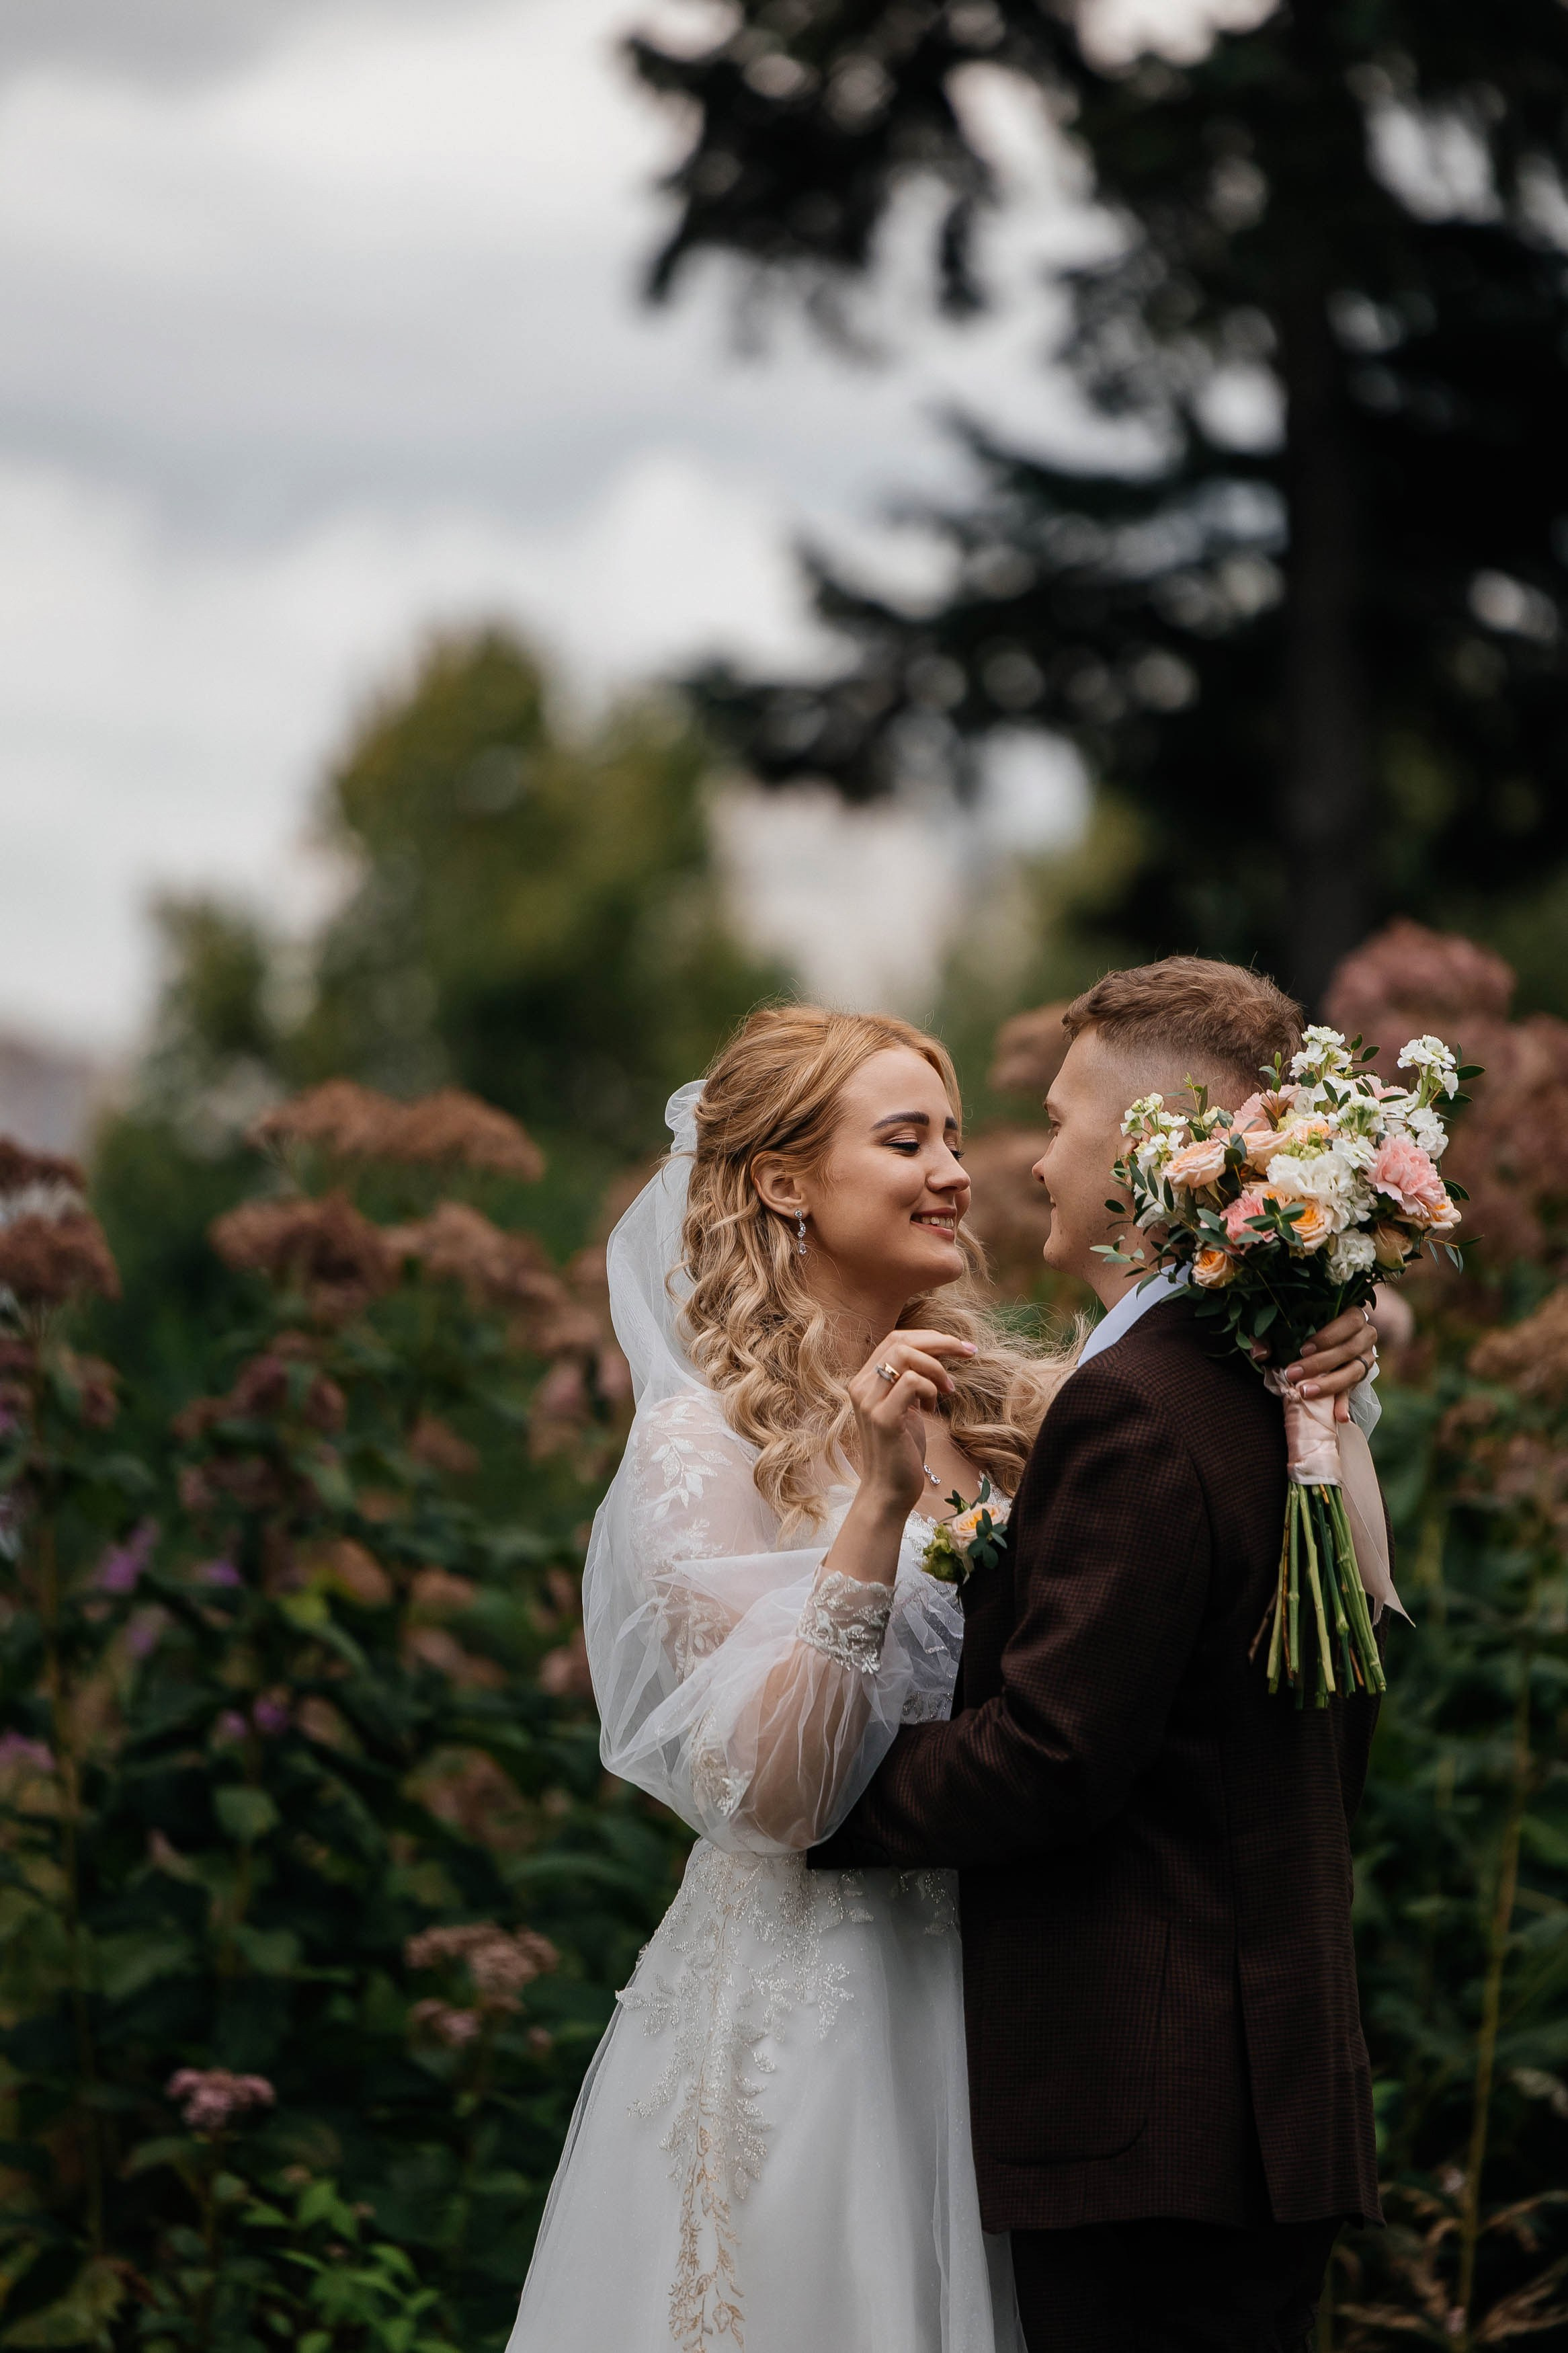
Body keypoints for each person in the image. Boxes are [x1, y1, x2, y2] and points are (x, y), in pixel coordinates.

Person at [505, 998, 1376, 2353]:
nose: (958, 1173)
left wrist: (1340, 1345)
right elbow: (771, 1796)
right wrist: (872, 1509)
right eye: (907, 1140)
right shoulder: (703, 1447)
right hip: (824, 2009)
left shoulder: (1014, 1406)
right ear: (784, 1181)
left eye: (957, 1138)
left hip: (1021, 2002)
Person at [811, 959, 1388, 2353]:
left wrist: (819, 1803)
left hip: (1156, 2109)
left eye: (1060, 1120)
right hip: (1256, 2097)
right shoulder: (1270, 1371)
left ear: (1146, 1147)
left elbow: (1052, 1752)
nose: (1028, 1161)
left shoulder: (1141, 1400)